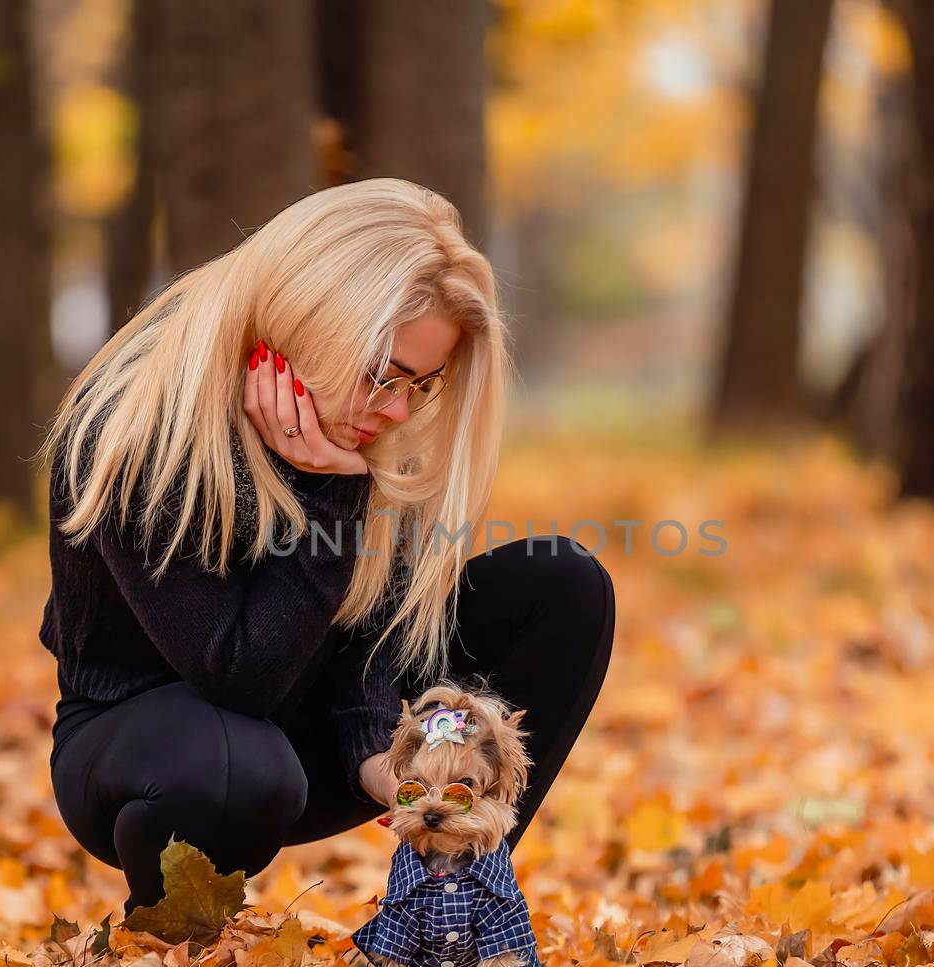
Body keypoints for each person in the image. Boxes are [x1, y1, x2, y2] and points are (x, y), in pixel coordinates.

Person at [35, 178, 616, 915]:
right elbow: (238, 676)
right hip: (157, 750)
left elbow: (380, 631)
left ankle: (451, 908)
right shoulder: (135, 424)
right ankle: (176, 943)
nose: (398, 409)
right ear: (314, 318)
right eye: (384, 376)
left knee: (564, 585)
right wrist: (334, 495)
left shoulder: (369, 427)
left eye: (423, 385)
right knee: (236, 765)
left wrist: (381, 751)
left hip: (311, 734)